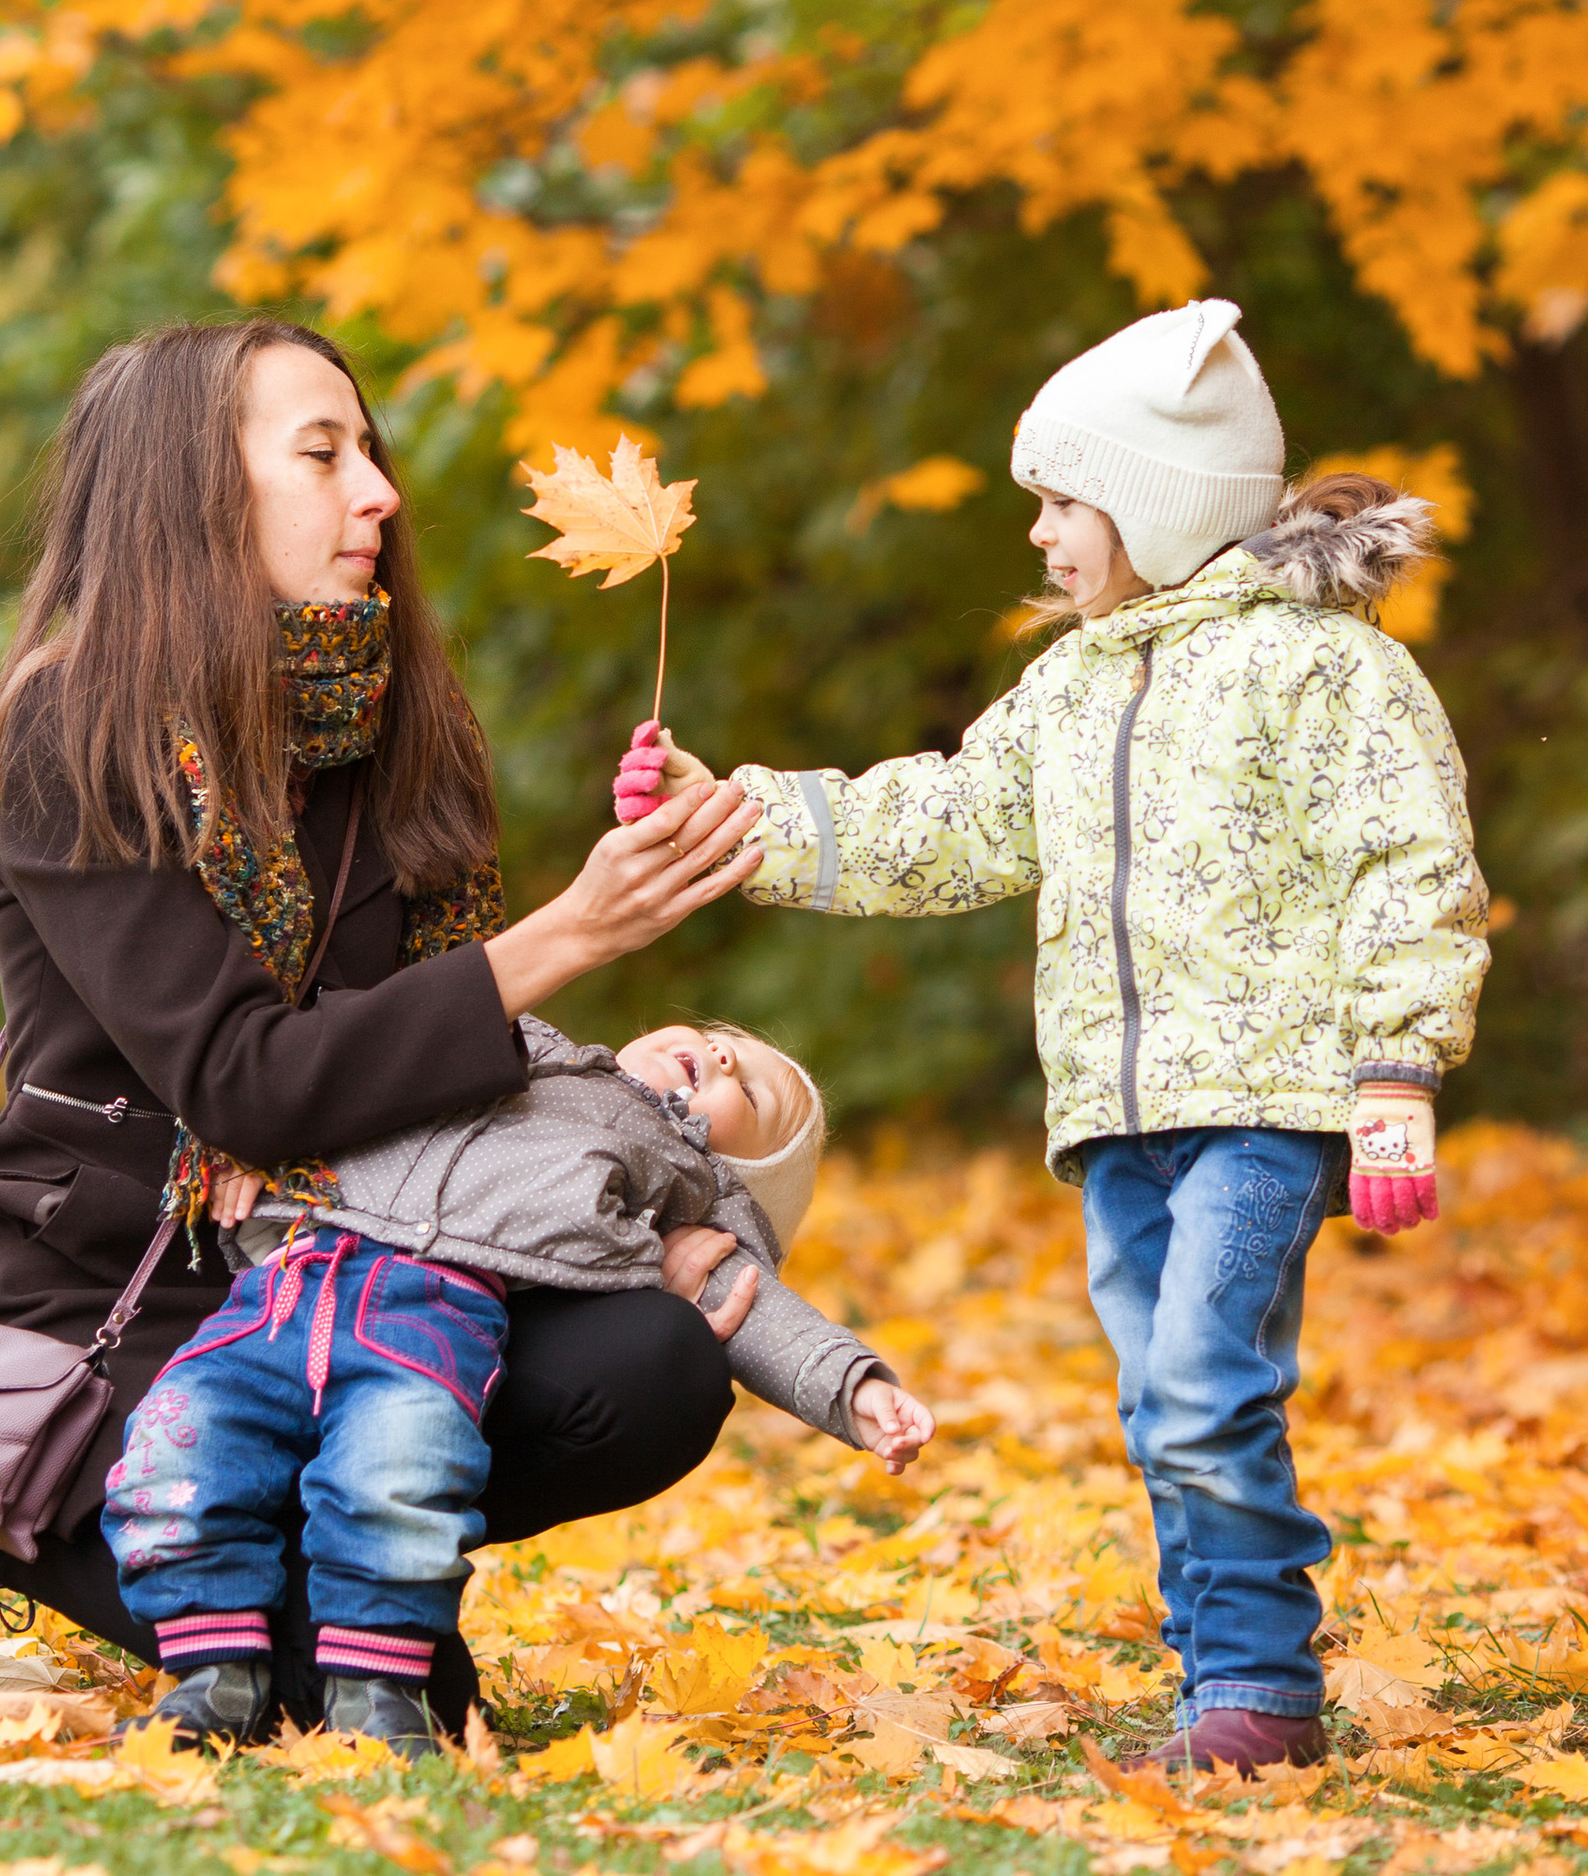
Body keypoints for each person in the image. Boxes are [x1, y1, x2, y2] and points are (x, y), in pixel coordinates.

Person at [0, 316, 765, 1715]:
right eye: (322, 454)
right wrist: (572, 933)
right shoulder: (79, 731)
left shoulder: (396, 727)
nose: (379, 492)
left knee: (656, 1365)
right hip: (138, 1296)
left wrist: (630, 1230)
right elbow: (249, 1082)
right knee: (390, 1704)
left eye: (369, 450)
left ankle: (345, 1524)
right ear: (192, 492)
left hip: (367, 1272)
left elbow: (448, 1109)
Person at [616, 297, 1489, 1778]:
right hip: (1116, 1119)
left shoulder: (1323, 673)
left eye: (1064, 500)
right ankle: (1219, 1686)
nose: (1038, 535)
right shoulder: (1074, 689)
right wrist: (738, 815)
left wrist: (1397, 1068)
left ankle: (1263, 1690)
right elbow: (942, 821)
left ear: (1161, 502)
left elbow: (1412, 867)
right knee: (1165, 1403)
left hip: (1268, 1106)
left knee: (1209, 1379)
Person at [106, 1010, 933, 1754]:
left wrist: (855, 1389)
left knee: (397, 1480)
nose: (720, 1053)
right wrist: (236, 1125)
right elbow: (368, 1039)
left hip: (427, 1320)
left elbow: (755, 1306)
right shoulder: (531, 1044)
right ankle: (212, 1673)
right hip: (283, 1282)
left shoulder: (681, 1185)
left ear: (733, 1167)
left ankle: (373, 1692)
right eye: (725, 1041)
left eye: (743, 1085)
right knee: (177, 1444)